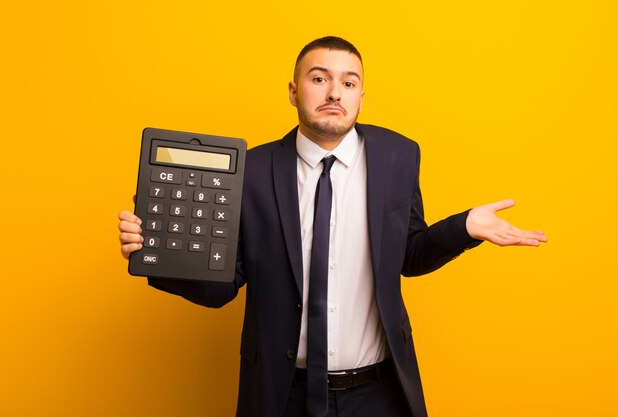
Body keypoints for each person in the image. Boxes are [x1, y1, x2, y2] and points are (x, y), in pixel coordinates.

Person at [118, 36, 547, 417]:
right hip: (282, 393)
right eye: (319, 79)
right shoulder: (252, 171)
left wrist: (464, 228)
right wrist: (156, 252)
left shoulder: (399, 156)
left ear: (362, 95)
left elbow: (408, 255)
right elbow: (223, 285)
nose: (334, 93)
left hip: (378, 394)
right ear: (293, 90)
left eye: (348, 82)